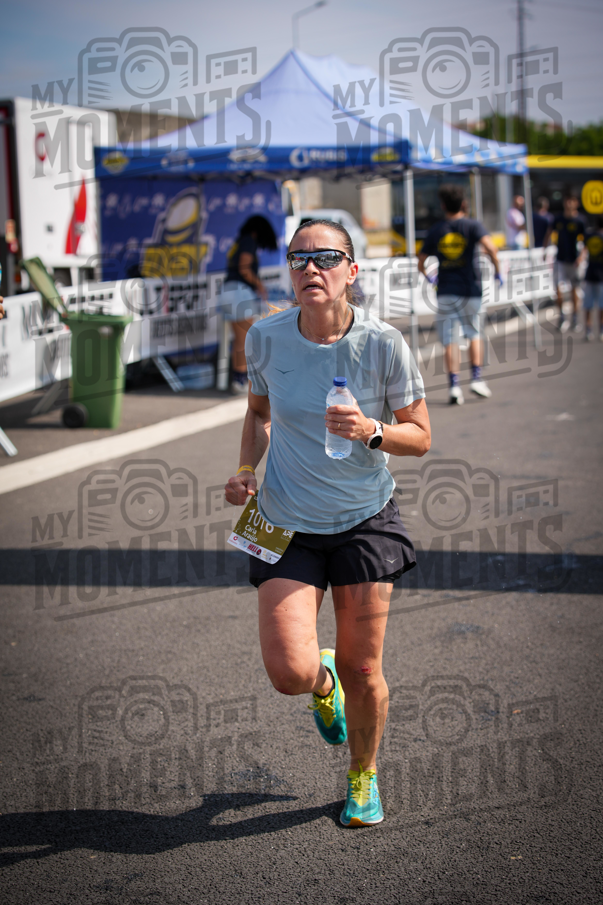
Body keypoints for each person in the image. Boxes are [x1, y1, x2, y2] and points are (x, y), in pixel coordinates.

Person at [224, 219, 430, 827]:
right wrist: (244, 468)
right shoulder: (265, 336)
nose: (311, 268)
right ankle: (321, 684)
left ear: (352, 270)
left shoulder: (384, 342)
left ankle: (363, 775)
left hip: (364, 518)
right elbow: (258, 412)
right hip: (282, 517)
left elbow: (419, 437)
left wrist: (371, 429)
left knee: (365, 668)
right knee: (289, 672)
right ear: (288, 270)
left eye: (327, 257)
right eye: (299, 259)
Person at [418, 184, 502, 405]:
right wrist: (498, 271)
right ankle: (476, 378)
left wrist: (431, 278)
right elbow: (492, 248)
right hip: (470, 289)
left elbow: (421, 261)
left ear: (443, 205)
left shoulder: (437, 229)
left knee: (450, 340)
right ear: (463, 203)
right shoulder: (473, 225)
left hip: (446, 290)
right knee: (474, 333)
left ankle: (454, 386)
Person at [221, 215, 278, 394]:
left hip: (228, 291)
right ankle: (240, 381)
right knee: (245, 340)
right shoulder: (248, 242)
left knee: (239, 339)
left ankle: (238, 380)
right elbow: (244, 269)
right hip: (240, 293)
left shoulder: (239, 242)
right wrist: (260, 286)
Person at [545, 192, 586, 333]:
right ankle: (562, 316)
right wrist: (545, 249)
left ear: (576, 203)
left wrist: (581, 257)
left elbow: (585, 241)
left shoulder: (580, 221)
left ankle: (574, 317)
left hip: (573, 260)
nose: (569, 204)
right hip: (560, 259)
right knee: (558, 288)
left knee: (575, 288)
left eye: (572, 201)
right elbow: (549, 232)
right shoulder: (559, 219)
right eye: (567, 201)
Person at [582, 216, 603, 341]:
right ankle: (599, 330)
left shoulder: (589, 235)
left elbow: (583, 251)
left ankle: (589, 330)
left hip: (590, 274)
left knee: (588, 305)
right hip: (598, 275)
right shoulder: (592, 236)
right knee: (599, 305)